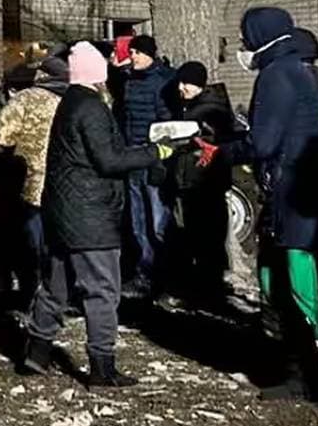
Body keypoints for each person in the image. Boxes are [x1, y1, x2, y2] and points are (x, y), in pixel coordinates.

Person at [219, 7, 318, 411]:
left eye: (245, 38)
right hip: (294, 199)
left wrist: (223, 150)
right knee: (276, 287)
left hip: (296, 203)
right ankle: (300, 373)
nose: (242, 46)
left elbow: (264, 142)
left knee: (309, 295)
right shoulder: (300, 71)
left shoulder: (277, 75)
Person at [21, 42, 162, 385]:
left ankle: (36, 352)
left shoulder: (69, 103)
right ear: (97, 73)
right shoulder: (92, 107)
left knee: (55, 286)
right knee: (102, 290)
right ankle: (102, 367)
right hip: (91, 215)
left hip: (62, 211)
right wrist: (155, 152)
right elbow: (109, 161)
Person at [0, 56, 68, 311]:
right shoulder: (80, 99)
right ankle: (62, 296)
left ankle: (35, 298)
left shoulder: (27, 98)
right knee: (61, 246)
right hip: (70, 188)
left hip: (33, 184)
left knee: (33, 247)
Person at [160, 60, 237, 304]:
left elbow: (221, 143)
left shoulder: (210, 111)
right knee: (192, 237)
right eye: (180, 82)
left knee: (207, 239)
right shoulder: (187, 107)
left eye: (187, 83)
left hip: (205, 183)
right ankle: (199, 287)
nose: (181, 88)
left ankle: (208, 289)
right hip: (188, 181)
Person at [116, 34, 177, 299]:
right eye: (131, 53)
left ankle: (165, 275)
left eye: (138, 53)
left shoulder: (163, 81)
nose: (133, 57)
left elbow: (167, 121)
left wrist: (159, 151)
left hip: (154, 157)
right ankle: (144, 272)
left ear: (149, 54)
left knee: (158, 220)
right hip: (132, 156)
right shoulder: (129, 81)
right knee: (138, 220)